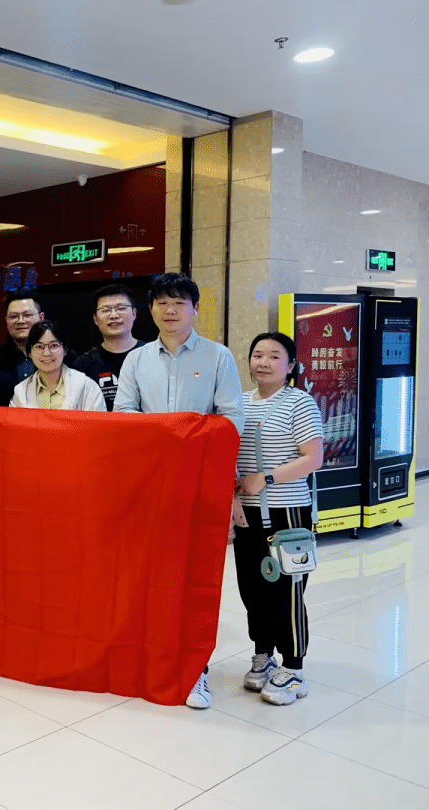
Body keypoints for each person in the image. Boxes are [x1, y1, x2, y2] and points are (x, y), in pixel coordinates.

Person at [113, 272, 245, 709]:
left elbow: (231, 418)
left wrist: (185, 438)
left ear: (195, 309)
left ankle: (195, 671)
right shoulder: (136, 359)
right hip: (149, 482)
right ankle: (149, 659)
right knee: (147, 574)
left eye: (179, 303)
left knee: (194, 577)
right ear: (150, 309)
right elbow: (124, 413)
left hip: (197, 481)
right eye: (162, 303)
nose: (170, 311)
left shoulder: (218, 356)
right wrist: (164, 435)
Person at [233, 332, 323, 706]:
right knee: (252, 588)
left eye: (274, 356)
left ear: (290, 365)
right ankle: (263, 654)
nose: (264, 362)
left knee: (286, 591)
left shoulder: (299, 403)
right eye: (258, 354)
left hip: (288, 513)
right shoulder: (238, 402)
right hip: (247, 513)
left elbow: (313, 458)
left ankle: (294, 667)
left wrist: (265, 478)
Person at [74, 284, 147, 411]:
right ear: (95, 319)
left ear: (134, 313)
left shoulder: (152, 355)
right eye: (106, 310)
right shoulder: (83, 365)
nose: (114, 315)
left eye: (121, 308)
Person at [10, 320, 105, 411]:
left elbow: (97, 422)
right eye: (39, 347)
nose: (46, 353)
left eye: (54, 346)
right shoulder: (20, 391)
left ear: (65, 350)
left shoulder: (87, 386)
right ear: (30, 353)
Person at [0, 291, 46, 384]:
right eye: (14, 316)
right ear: (6, 320)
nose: (20, 321)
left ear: (41, 317)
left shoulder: (60, 355)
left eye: (27, 315)